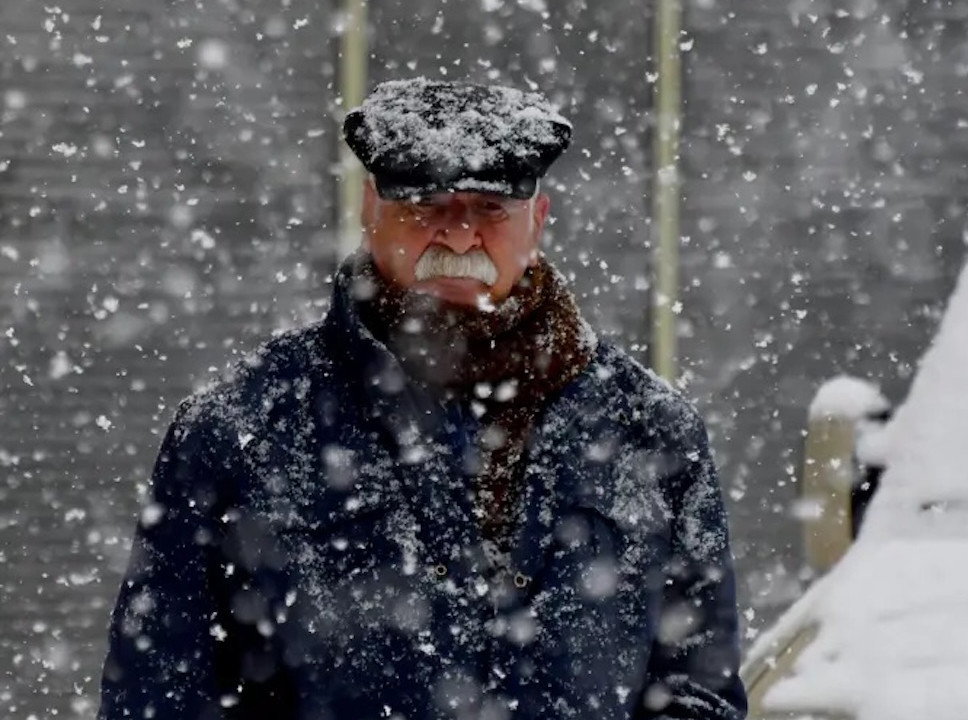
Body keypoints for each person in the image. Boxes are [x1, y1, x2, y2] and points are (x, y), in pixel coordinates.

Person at [96, 77, 747, 720]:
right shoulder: (240, 429)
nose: (460, 237)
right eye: (428, 204)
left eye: (491, 208)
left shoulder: (652, 430)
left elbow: (699, 693)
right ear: (368, 207)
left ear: (538, 219)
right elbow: (159, 696)